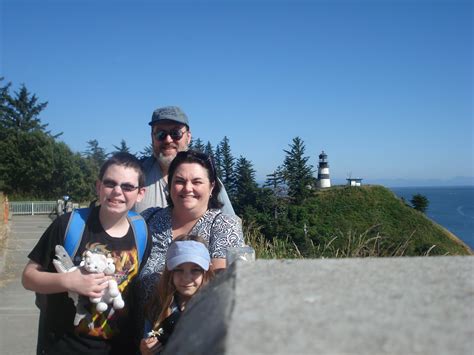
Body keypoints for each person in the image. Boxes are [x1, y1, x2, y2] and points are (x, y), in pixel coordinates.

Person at [22, 152, 152, 355]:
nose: (117, 192)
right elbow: (28, 277)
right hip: (64, 346)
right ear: (99, 186)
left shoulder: (141, 232)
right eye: (110, 184)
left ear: (140, 193)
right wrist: (68, 281)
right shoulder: (68, 225)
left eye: (127, 187)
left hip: (121, 348)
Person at [138, 149, 244, 308]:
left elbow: (216, 284)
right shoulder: (149, 218)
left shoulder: (224, 225)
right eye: (180, 181)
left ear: (211, 187)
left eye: (197, 182)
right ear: (170, 185)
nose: (187, 188)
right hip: (136, 329)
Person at [134, 105, 235, 215]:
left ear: (188, 137)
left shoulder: (208, 179)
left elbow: (230, 223)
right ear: (152, 138)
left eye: (176, 133)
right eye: (160, 134)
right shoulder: (135, 176)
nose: (168, 140)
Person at [139, 235, 214, 355]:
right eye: (179, 270)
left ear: (206, 272)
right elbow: (150, 336)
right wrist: (146, 349)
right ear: (170, 273)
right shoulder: (157, 307)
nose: (186, 278)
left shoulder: (214, 309)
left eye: (195, 270)